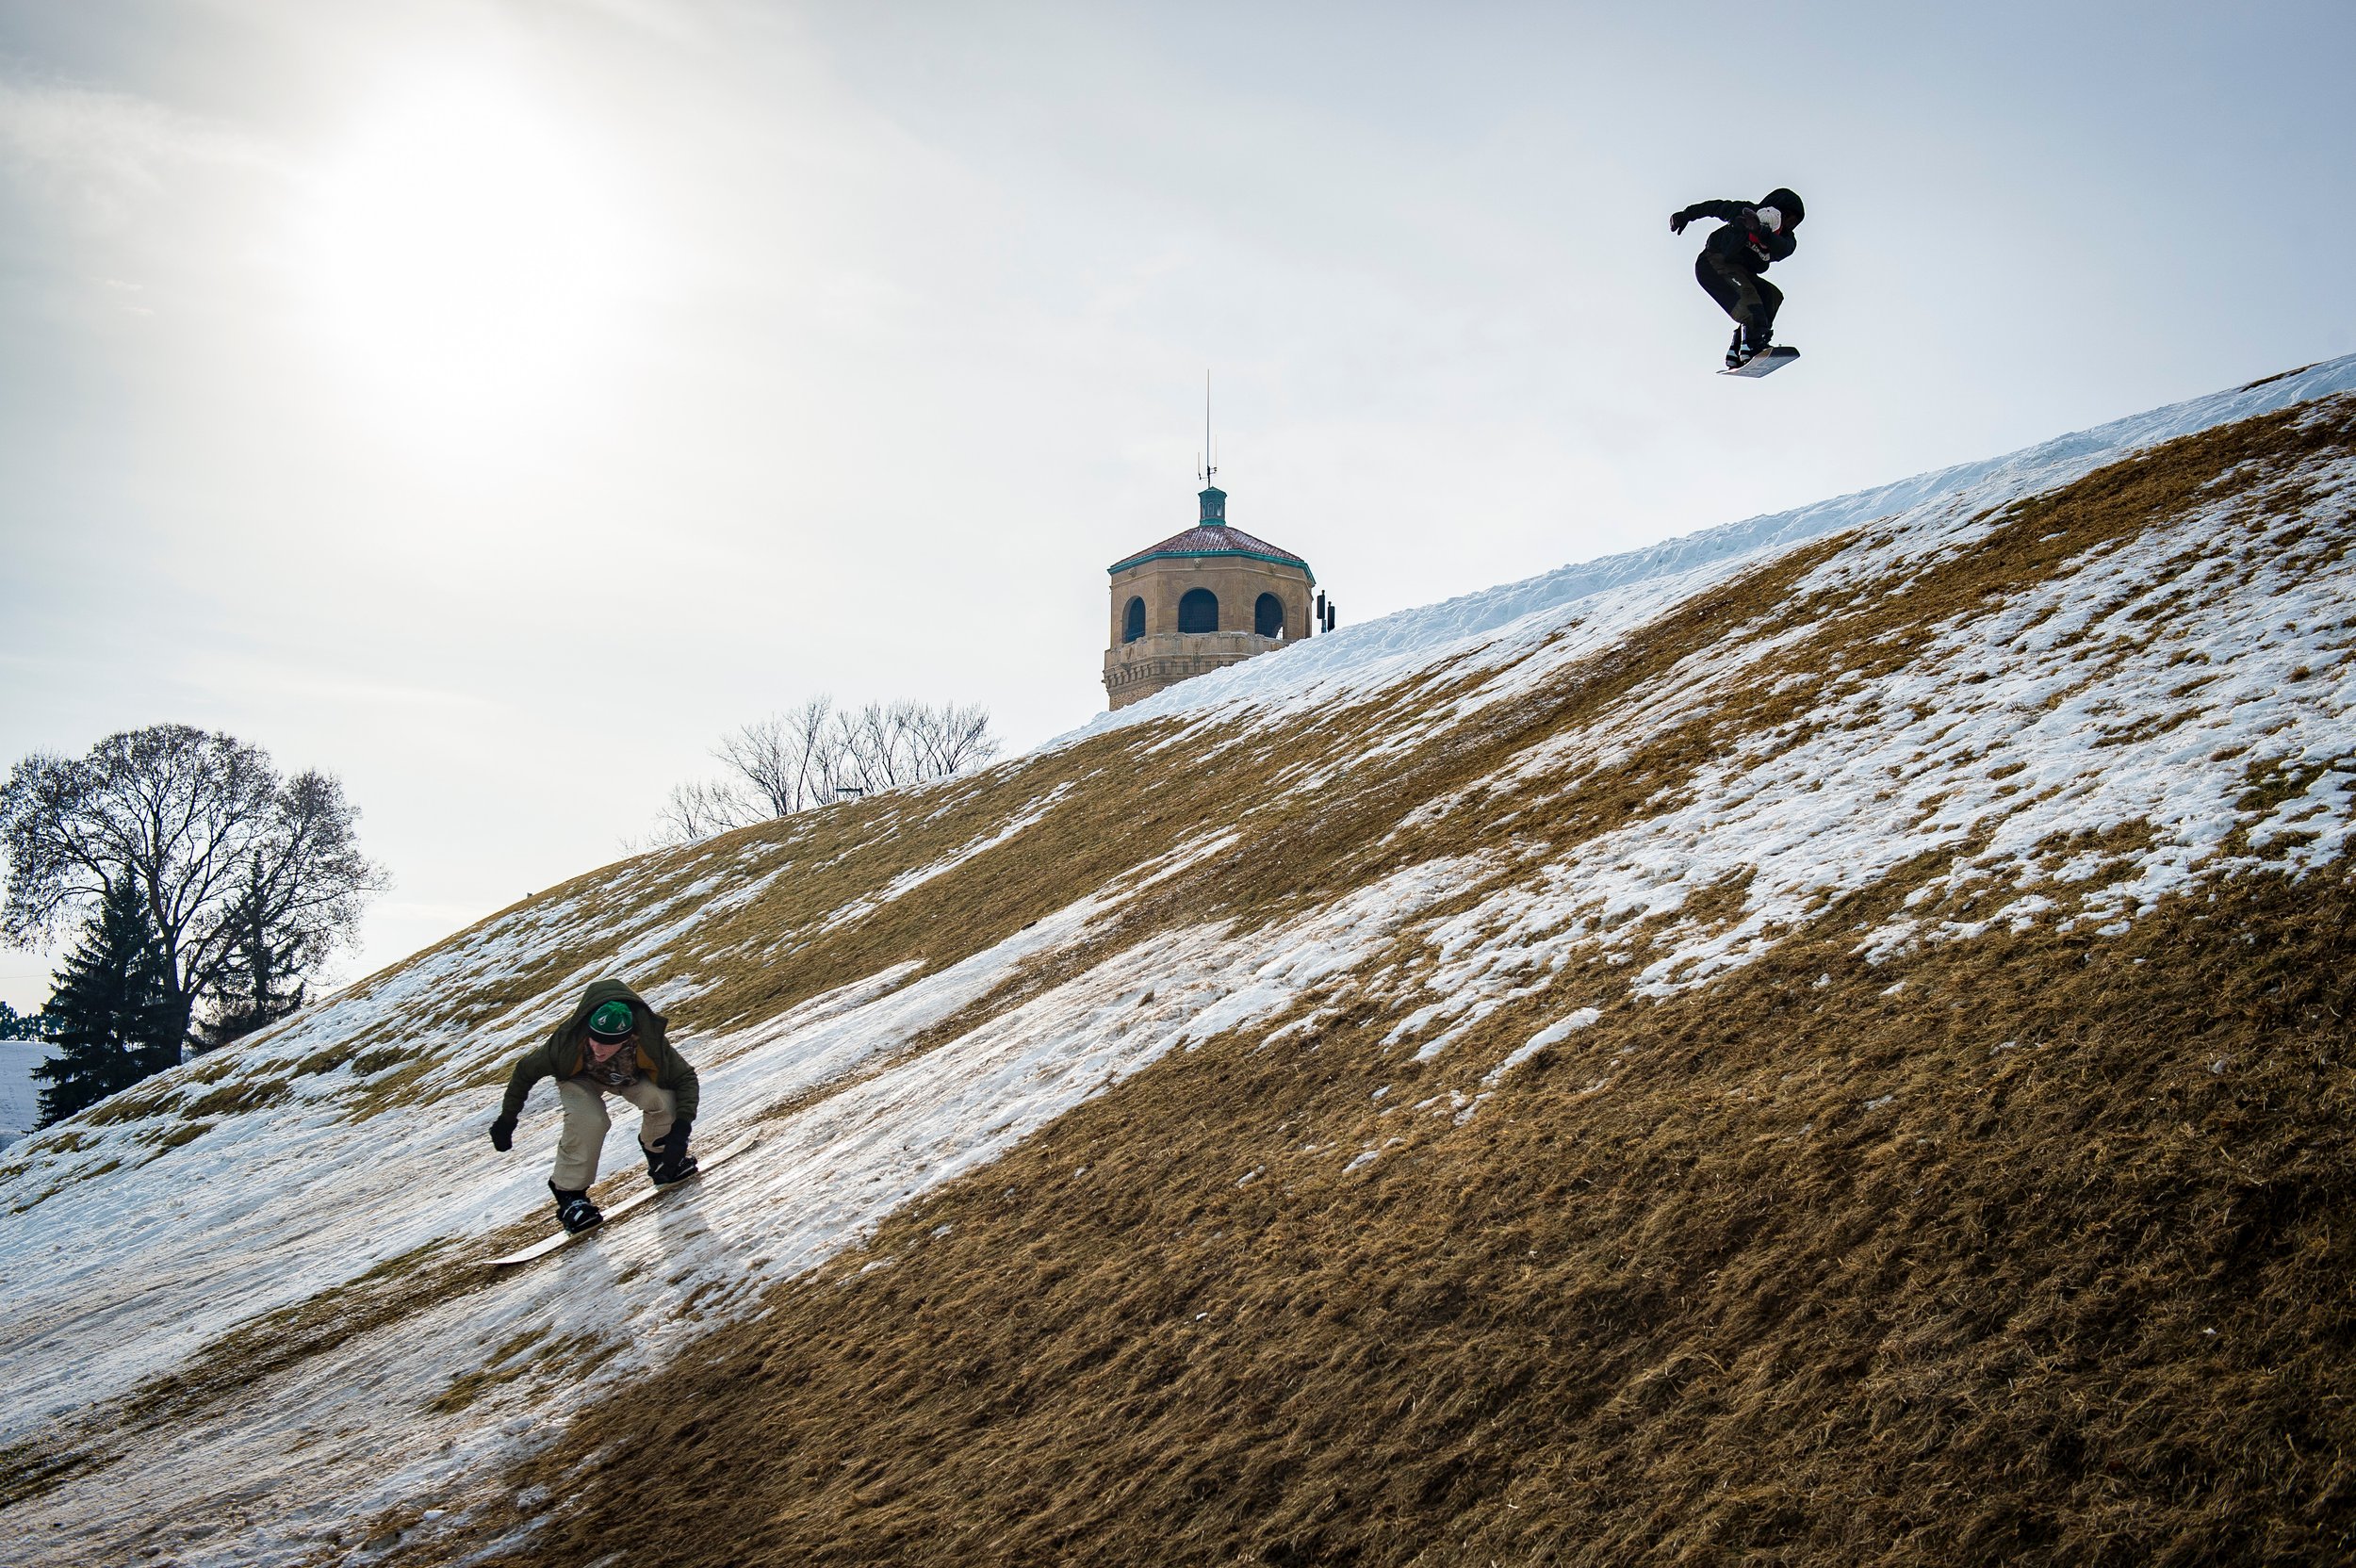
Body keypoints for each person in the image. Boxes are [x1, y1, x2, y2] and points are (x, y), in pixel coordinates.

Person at [488, 977, 701, 1233]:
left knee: (663, 1100)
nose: (598, 1048)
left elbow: (685, 1078)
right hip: (579, 1077)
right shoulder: (565, 1043)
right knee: (590, 1120)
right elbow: (524, 1071)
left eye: (608, 1042)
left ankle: (662, 1159)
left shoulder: (649, 1041)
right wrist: (507, 1119)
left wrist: (680, 1131)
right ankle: (570, 1197)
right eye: (594, 1039)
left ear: (626, 1038)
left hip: (627, 1074)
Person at [1671, 188, 1806, 368]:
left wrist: (1761, 232)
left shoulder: (1787, 240)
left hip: (1741, 272)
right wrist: (1685, 215)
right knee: (1750, 301)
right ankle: (1753, 345)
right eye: (1788, 218)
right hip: (1713, 263)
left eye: (1793, 223)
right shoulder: (1743, 212)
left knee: (1770, 295)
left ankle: (1739, 347)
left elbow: (1782, 248)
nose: (1789, 225)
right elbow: (1714, 207)